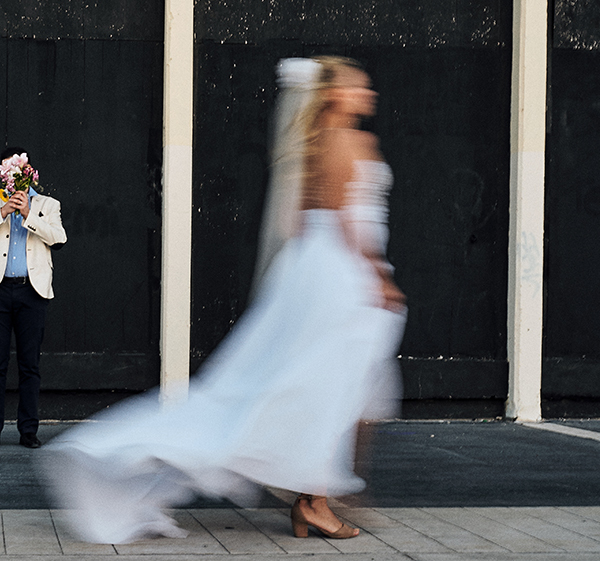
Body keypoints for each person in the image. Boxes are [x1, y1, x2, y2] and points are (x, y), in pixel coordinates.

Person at [42, 56, 407, 543]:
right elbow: (347, 222)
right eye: (358, 86)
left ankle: (312, 498)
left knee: (311, 384)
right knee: (324, 387)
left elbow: (302, 220)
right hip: (342, 272)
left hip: (315, 268)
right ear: (335, 95)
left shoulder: (312, 143)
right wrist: (377, 275)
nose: (368, 93)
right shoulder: (346, 141)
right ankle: (313, 502)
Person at [0, 147, 67, 449]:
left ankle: (28, 432)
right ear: (2, 172)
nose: (14, 175)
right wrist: (3, 211)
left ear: (29, 171)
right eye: (8, 170)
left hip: (32, 291)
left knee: (29, 365)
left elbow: (58, 238)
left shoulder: (48, 204)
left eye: (19, 168)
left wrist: (27, 212)